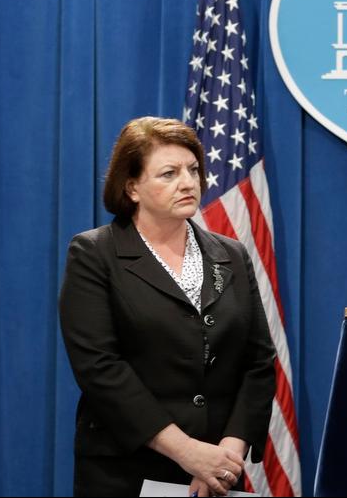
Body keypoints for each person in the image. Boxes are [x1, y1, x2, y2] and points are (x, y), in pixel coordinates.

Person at [59, 117, 275, 497]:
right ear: (132, 187)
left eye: (193, 170)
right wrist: (187, 452)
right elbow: (100, 368)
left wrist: (228, 453)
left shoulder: (231, 254)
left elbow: (259, 362)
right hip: (126, 472)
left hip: (216, 473)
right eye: (169, 173)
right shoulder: (94, 253)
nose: (189, 182)